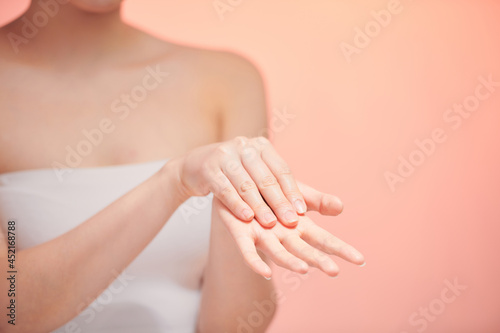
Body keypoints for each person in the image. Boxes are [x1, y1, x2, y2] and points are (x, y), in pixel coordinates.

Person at [0, 1, 365, 332]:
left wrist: (233, 211)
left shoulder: (227, 79)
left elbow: (237, 327)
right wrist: (171, 183)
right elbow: (10, 310)